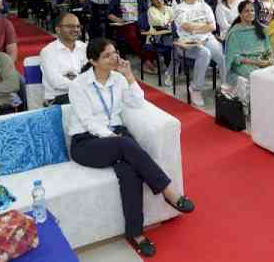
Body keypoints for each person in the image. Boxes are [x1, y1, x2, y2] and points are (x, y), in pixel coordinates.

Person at [68, 38, 194, 257]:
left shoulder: (117, 79)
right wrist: (113, 137)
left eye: (115, 53)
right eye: (107, 55)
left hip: (117, 138)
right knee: (125, 143)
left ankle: (135, 234)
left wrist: (129, 76)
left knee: (129, 171)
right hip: (87, 142)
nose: (114, 58)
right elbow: (88, 121)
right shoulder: (79, 85)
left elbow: (137, 102)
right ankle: (168, 191)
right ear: (92, 60)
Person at [173, 0, 227, 105]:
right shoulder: (179, 8)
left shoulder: (204, 6)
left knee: (223, 55)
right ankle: (195, 88)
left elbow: (212, 26)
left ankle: (224, 86)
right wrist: (203, 26)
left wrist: (195, 28)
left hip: (207, 39)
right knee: (205, 53)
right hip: (187, 43)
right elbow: (186, 27)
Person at [40, 13, 87, 105]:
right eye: (70, 26)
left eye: (77, 26)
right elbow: (57, 82)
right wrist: (83, 84)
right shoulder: (48, 52)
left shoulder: (85, 48)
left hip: (84, 94)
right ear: (58, 29)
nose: (75, 30)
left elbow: (93, 72)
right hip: (59, 98)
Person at [224, 1, 272, 88]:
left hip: (262, 61)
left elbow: (268, 49)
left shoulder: (262, 29)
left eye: (252, 11)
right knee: (259, 78)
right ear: (240, 14)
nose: (250, 13)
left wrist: (267, 61)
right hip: (243, 64)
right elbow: (235, 57)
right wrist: (256, 62)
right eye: (246, 11)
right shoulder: (235, 32)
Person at [147, 0, 175, 87]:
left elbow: (175, 20)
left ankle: (171, 71)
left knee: (177, 46)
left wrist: (169, 23)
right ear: (152, 1)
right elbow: (159, 22)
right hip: (156, 37)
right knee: (172, 47)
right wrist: (169, 22)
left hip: (169, 34)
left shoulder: (169, 8)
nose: (158, 0)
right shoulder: (151, 10)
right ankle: (171, 71)